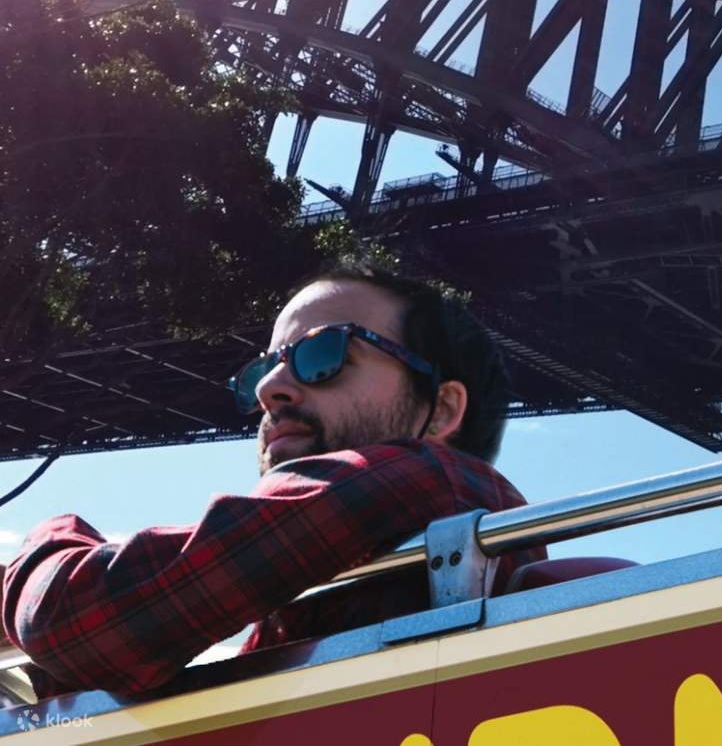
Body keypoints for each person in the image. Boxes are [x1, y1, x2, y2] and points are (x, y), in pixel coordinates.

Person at [1, 264, 545, 696]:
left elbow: (82, 624)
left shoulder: (435, 479)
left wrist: (44, 545)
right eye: (264, 369)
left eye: (324, 353)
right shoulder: (312, 598)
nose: (271, 389)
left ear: (442, 408)